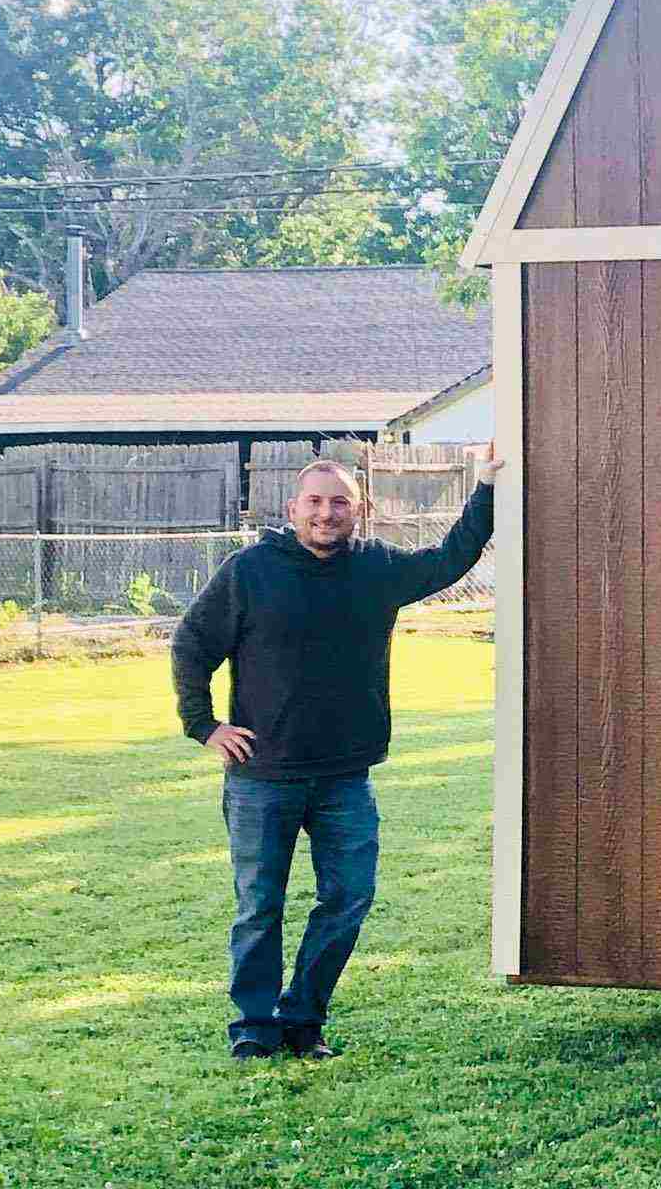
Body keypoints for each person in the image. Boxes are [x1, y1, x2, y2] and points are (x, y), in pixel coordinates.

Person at [172, 449, 500, 1061]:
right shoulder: (251, 571)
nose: (327, 513)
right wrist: (204, 726)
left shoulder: (376, 569)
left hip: (345, 777)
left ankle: (304, 1018)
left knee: (348, 896)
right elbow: (192, 646)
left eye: (340, 502)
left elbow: (454, 556)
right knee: (259, 905)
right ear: (293, 509)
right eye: (315, 503)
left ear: (360, 510)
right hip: (262, 777)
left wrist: (486, 485)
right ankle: (254, 1025)